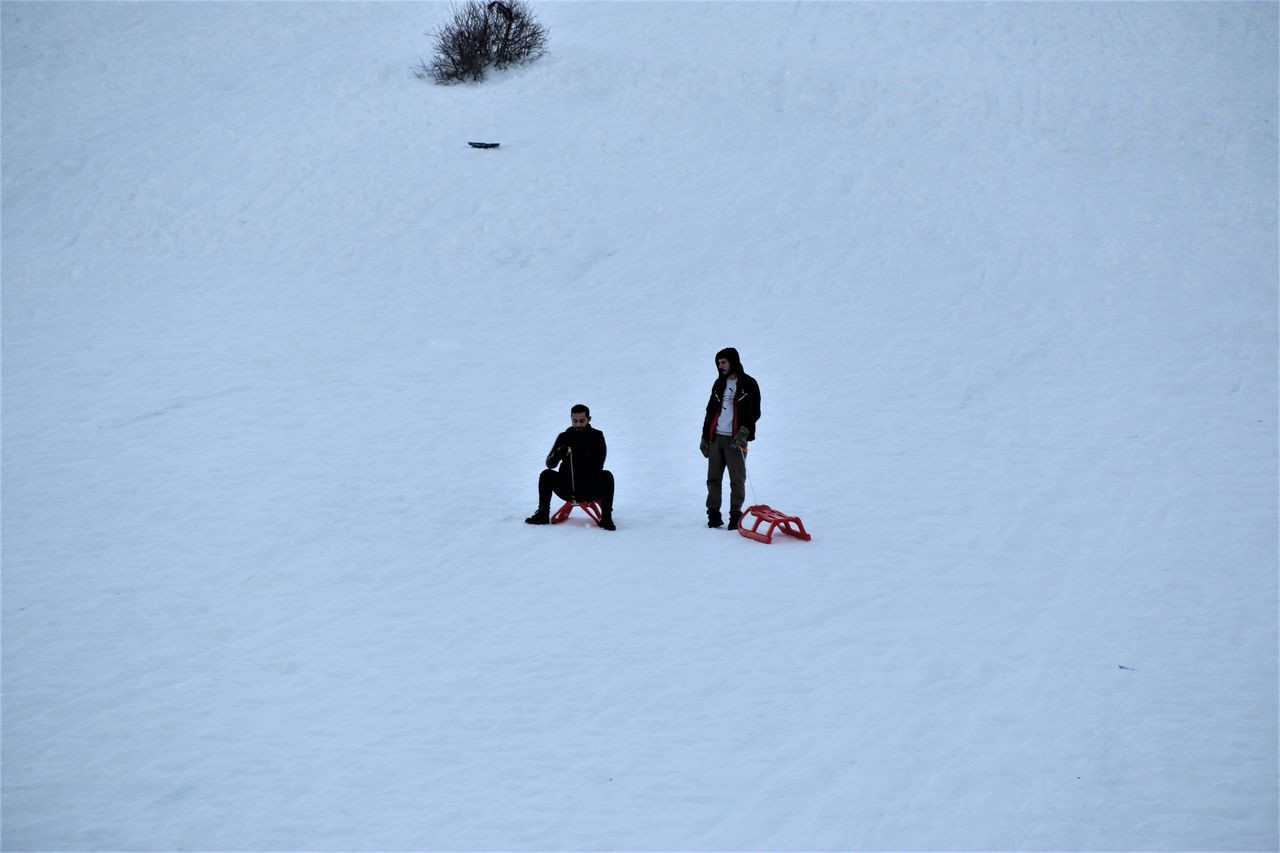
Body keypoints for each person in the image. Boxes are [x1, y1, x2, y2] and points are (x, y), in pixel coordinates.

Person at [525, 404, 616, 530]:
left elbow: (599, 464)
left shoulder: (597, 436)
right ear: (571, 419)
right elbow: (550, 464)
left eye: (582, 421)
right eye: (575, 421)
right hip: (567, 488)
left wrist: (580, 450)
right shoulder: (564, 436)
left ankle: (607, 517)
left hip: (589, 488)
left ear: (589, 419)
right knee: (546, 474)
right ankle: (542, 513)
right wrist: (559, 453)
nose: (578, 424)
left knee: (607, 476)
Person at [700, 347, 761, 530]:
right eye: (718, 363)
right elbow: (710, 411)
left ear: (733, 362)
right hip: (716, 438)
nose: (720, 366)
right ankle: (713, 515)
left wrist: (744, 433)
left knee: (737, 479)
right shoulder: (719, 384)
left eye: (723, 362)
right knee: (713, 478)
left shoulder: (749, 384)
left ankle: (735, 515)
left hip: (736, 440)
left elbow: (755, 412)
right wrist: (704, 436)